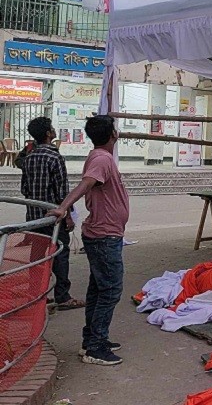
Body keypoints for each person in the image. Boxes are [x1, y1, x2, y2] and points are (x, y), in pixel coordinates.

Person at [47, 115, 130, 366]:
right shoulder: (102, 158)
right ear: (113, 134)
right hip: (104, 236)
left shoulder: (100, 157)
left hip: (105, 234)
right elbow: (85, 184)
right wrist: (63, 208)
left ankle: (92, 340)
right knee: (111, 290)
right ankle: (95, 347)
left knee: (98, 288)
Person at [19, 117, 84, 311]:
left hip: (33, 217)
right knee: (60, 255)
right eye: (52, 128)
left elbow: (24, 189)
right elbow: (62, 192)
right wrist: (68, 216)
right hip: (54, 218)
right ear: (48, 133)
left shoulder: (29, 158)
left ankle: (36, 295)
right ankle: (63, 296)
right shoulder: (55, 157)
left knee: (37, 257)